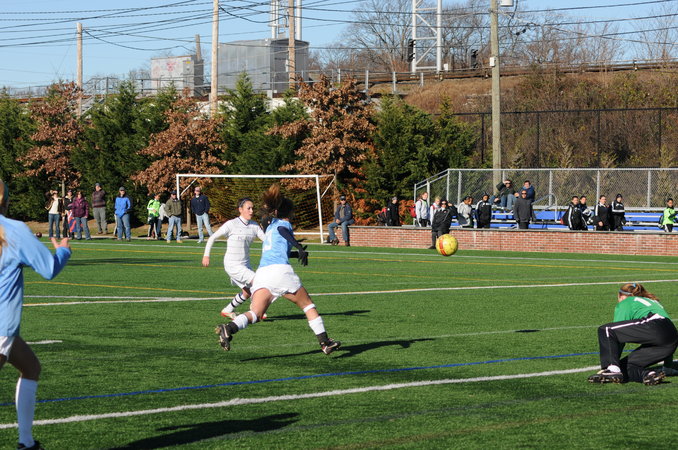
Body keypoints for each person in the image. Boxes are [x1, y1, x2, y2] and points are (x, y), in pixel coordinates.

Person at [215, 184, 341, 355]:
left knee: (256, 313)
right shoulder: (283, 225)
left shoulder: (270, 226)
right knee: (308, 306)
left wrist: (296, 253)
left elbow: (278, 249)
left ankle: (229, 328)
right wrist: (298, 246)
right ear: (290, 213)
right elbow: (283, 231)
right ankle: (325, 343)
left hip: (263, 274)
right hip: (280, 272)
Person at [0, 178, 72, 450]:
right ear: (6, 200)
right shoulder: (13, 229)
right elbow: (49, 269)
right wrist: (63, 252)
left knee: (30, 367)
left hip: (6, 331)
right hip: (1, 326)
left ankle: (27, 443)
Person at [587, 283, 678, 385]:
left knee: (606, 330)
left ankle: (611, 370)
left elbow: (616, 337)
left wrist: (611, 365)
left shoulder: (626, 302)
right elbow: (667, 333)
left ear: (620, 295)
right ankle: (648, 375)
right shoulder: (652, 302)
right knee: (624, 366)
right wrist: (667, 367)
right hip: (671, 339)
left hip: (655, 326)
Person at [202, 197, 266, 320]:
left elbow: (267, 241)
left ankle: (227, 310)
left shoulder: (254, 226)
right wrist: (206, 255)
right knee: (257, 281)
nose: (251, 211)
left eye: (252, 208)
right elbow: (212, 238)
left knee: (247, 292)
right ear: (240, 209)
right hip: (232, 265)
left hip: (246, 264)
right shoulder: (231, 224)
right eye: (248, 208)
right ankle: (256, 309)